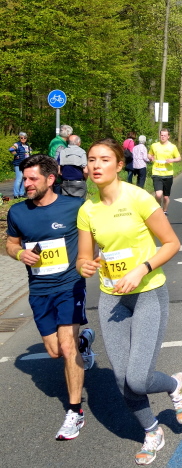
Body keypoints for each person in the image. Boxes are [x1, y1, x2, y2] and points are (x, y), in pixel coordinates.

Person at [76, 139, 182, 465]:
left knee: (138, 378)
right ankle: (152, 430)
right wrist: (84, 266)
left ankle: (176, 386)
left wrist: (142, 268)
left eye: (104, 159)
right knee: (121, 379)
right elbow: (84, 257)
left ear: (119, 165)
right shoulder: (87, 210)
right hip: (112, 299)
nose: (96, 165)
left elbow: (171, 243)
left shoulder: (138, 198)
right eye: (91, 159)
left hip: (147, 292)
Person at [5, 154, 95, 440]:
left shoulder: (75, 206)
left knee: (67, 347)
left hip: (70, 286)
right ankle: (84, 341)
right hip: (39, 290)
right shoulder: (18, 212)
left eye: (33, 178)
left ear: (51, 179)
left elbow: (96, 234)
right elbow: (10, 244)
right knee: (55, 350)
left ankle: (75, 412)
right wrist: (20, 254)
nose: (27, 184)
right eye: (25, 179)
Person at [148, 129, 181, 216]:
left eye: (165, 135)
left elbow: (179, 158)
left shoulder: (172, 147)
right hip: (156, 173)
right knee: (158, 195)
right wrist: (150, 157)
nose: (162, 137)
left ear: (168, 136)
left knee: (166, 197)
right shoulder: (154, 145)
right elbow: (149, 154)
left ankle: (164, 210)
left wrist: (172, 160)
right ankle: (158, 210)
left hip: (168, 174)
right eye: (161, 135)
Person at [57, 135, 88, 200]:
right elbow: (85, 171)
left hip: (65, 183)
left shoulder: (62, 152)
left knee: (67, 203)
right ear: (79, 143)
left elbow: (58, 171)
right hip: (78, 183)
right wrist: (85, 179)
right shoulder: (82, 152)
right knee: (80, 203)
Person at [9, 131, 31, 198]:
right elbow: (11, 149)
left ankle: (21, 193)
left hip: (26, 164)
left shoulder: (27, 145)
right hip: (18, 164)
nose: (23, 139)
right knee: (19, 179)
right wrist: (16, 155)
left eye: (24, 138)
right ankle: (16, 194)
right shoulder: (17, 144)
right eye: (21, 138)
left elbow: (30, 153)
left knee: (24, 178)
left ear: (26, 138)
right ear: (19, 138)